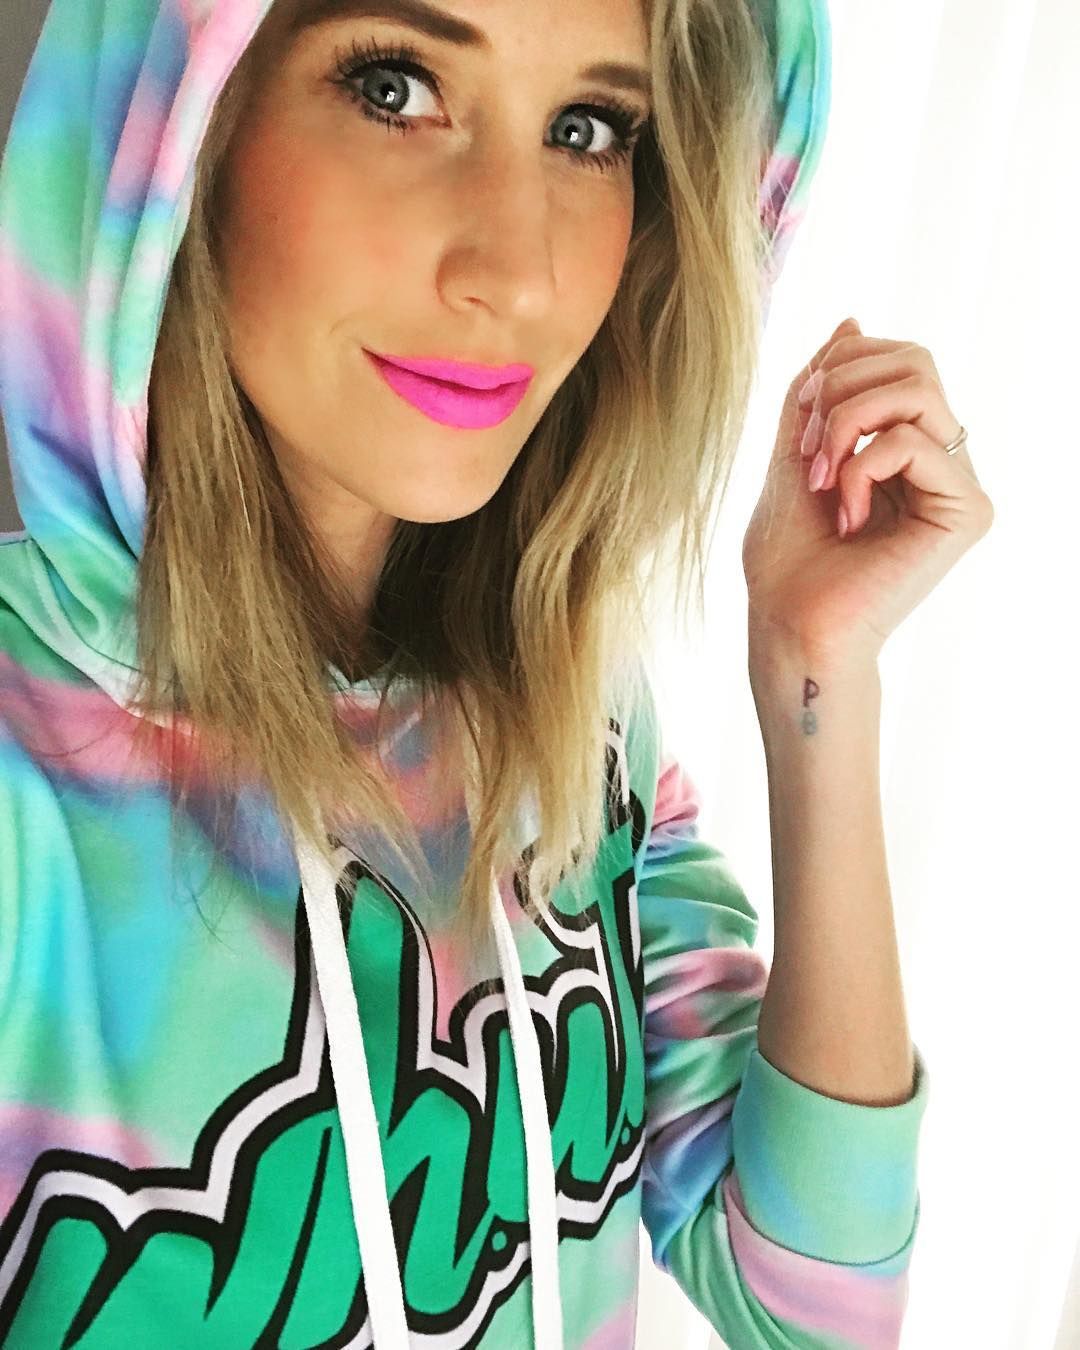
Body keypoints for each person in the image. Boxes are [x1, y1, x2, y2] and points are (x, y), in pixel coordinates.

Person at [0, 0, 982, 1344]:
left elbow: (809, 1304)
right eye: (394, 87)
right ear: (174, 126)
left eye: (589, 129)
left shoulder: (577, 722)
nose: (518, 272)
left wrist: (820, 672)